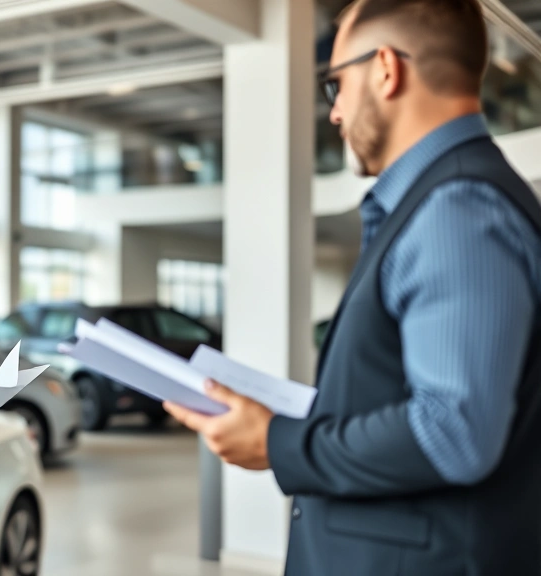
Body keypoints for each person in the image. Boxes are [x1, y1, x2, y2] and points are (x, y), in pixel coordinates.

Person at [165, 0, 541, 574]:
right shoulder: (441, 205)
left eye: (336, 83)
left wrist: (279, 443)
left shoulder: (455, 211)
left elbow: (453, 433)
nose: (335, 112)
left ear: (386, 69)